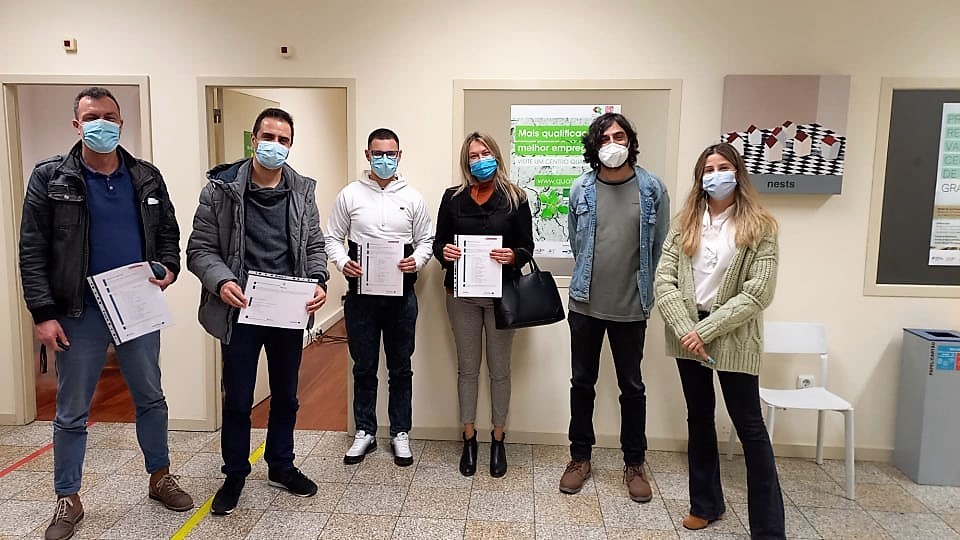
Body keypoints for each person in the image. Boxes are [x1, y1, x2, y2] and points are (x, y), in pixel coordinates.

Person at [18, 86, 193, 540]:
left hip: (136, 305)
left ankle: (160, 476)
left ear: (121, 122)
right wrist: (42, 312)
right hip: (79, 311)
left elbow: (168, 233)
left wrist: (168, 267)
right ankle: (68, 497)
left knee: (150, 396)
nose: (102, 124)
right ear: (77, 125)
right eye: (92, 117)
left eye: (109, 117)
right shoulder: (51, 177)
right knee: (72, 409)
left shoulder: (146, 176)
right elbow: (32, 249)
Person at [186, 107, 329, 516]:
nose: (275, 146)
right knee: (238, 399)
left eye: (283, 140)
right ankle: (234, 473)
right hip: (240, 311)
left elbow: (314, 246)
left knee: (286, 395)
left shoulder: (302, 191)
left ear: (291, 145)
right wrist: (221, 282)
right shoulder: (220, 190)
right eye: (268, 137)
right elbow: (199, 249)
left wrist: (319, 281)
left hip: (288, 310)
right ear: (254, 140)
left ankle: (281, 465)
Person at [654, 142, 784, 538]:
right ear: (699, 178)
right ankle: (706, 504)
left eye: (723, 167)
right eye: (708, 169)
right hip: (687, 333)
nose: (715, 175)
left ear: (738, 172)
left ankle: (768, 528)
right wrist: (686, 329)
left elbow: (758, 292)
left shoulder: (761, 226)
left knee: (750, 427)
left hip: (733, 335)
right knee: (699, 418)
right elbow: (665, 281)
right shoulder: (684, 223)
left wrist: (705, 331)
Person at [558, 113, 670, 503]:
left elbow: (658, 246)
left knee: (632, 388)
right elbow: (577, 242)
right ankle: (579, 458)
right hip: (585, 305)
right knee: (581, 384)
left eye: (619, 136)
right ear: (594, 146)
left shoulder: (652, 188)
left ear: (630, 141)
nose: (612, 144)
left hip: (631, 307)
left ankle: (634, 463)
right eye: (604, 138)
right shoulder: (581, 188)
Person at [326, 128, 434, 467]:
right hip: (361, 298)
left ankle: (400, 432)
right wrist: (343, 263)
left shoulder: (413, 198)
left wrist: (416, 260)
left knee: (401, 368)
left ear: (399, 156)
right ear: (367, 155)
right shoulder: (349, 195)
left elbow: (427, 241)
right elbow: (332, 238)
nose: (384, 159)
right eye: (378, 153)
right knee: (364, 367)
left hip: (401, 298)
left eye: (390, 154)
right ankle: (365, 431)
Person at [433, 132, 533, 478]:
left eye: (485, 153)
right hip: (461, 295)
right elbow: (439, 243)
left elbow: (527, 248)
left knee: (500, 370)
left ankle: (499, 439)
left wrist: (513, 256)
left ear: (496, 156)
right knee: (468, 370)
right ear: (466, 161)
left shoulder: (516, 198)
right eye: (473, 155)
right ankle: (469, 437)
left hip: (502, 297)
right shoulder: (452, 198)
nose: (480, 160)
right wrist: (445, 252)